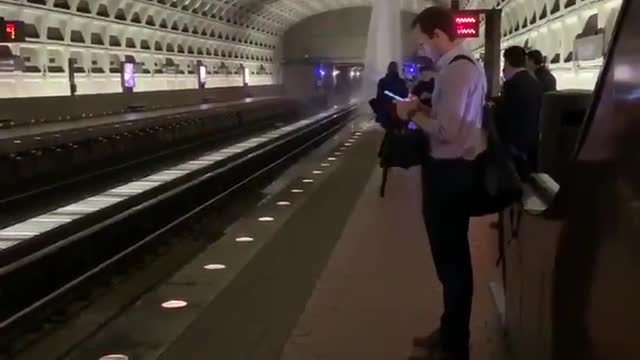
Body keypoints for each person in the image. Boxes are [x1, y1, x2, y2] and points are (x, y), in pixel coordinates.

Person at [395, 5, 487, 360]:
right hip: (453, 172)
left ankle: (454, 344)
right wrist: (425, 108)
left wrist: (412, 113)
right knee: (450, 260)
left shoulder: (455, 72)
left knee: (451, 262)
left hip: (449, 175)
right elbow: (455, 120)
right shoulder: (462, 67)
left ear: (438, 36)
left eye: (422, 44)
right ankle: (449, 330)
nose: (421, 51)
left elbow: (448, 132)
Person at [498, 46, 544, 173]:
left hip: (515, 142)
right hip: (532, 138)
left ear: (506, 61)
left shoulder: (511, 84)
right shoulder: (535, 82)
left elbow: (506, 115)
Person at [375, 61, 409, 129]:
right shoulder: (401, 82)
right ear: (397, 69)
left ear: (388, 69)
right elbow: (405, 96)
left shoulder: (382, 81)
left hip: (385, 112)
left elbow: (379, 97)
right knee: (397, 131)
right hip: (398, 111)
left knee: (388, 130)